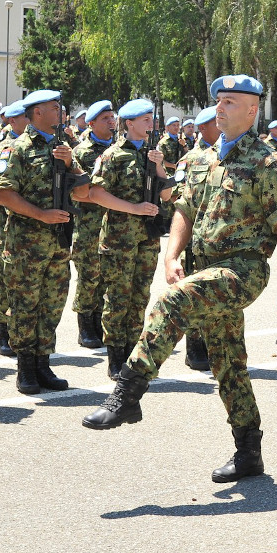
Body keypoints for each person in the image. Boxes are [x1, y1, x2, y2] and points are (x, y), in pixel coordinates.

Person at [82, 74, 277, 484]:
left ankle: (127, 394)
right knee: (227, 361)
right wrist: (171, 256)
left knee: (170, 303)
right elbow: (184, 210)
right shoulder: (199, 158)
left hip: (242, 269)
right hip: (205, 268)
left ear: (253, 110)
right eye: (219, 100)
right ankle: (249, 451)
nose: (221, 107)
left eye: (231, 102)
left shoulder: (267, 162)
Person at [0, 90, 89, 395]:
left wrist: (71, 164)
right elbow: (1, 192)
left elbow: (84, 193)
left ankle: (44, 364)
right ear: (37, 113)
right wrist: (40, 214)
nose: (60, 112)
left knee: (51, 304)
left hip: (59, 243)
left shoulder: (64, 148)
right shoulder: (16, 149)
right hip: (25, 245)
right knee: (24, 305)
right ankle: (26, 368)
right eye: (54, 108)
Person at [83, 99, 170, 379]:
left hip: (147, 237)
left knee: (139, 296)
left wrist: (159, 167)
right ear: (129, 124)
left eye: (151, 119)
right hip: (119, 238)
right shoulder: (112, 155)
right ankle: (115, 356)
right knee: (117, 297)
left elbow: (168, 195)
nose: (150, 124)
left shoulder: (153, 154)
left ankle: (133, 354)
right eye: (145, 120)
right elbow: (95, 194)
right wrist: (134, 208)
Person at [173, 104, 220, 372]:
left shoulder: (228, 155)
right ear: (204, 128)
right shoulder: (190, 159)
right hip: (195, 242)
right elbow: (180, 203)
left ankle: (215, 347)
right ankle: (195, 349)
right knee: (195, 296)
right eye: (217, 121)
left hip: (220, 240)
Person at [69, 99, 116, 351]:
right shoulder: (82, 151)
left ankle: (100, 322)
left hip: (115, 223)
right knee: (89, 275)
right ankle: (85, 325)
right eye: (105, 119)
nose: (111, 122)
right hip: (89, 224)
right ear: (92, 123)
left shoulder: (119, 148)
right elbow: (76, 191)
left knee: (107, 275)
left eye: (112, 117)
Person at [0, 102, 28, 357]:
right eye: (24, 116)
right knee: (3, 282)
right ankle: (3, 333)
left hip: (33, 230)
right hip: (6, 229)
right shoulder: (2, 150)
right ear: (13, 121)